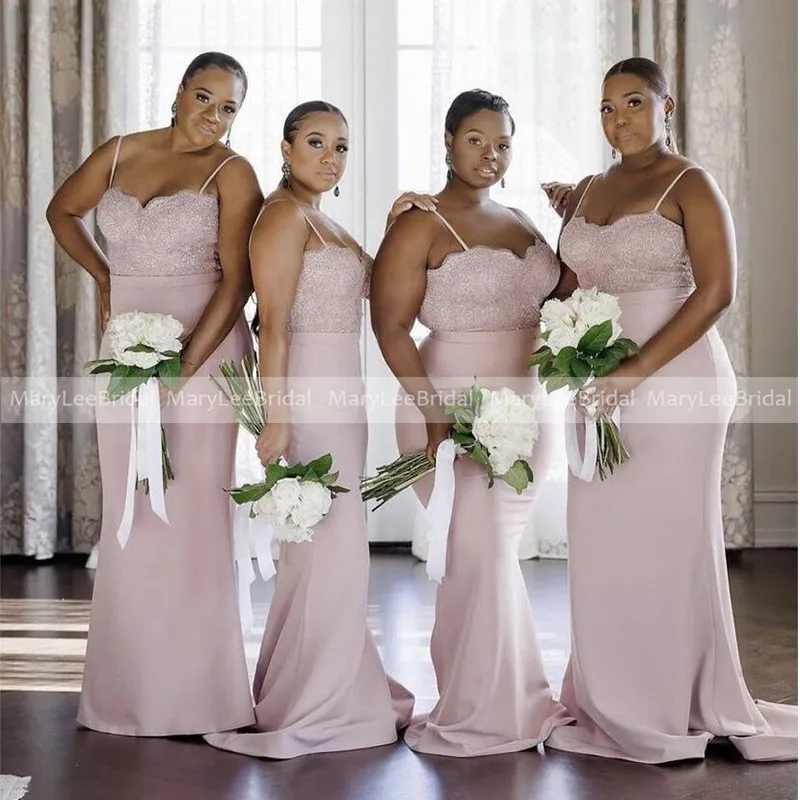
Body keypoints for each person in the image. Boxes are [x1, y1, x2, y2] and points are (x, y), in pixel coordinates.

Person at [544, 57, 797, 763]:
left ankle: (676, 699)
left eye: (632, 103)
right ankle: (613, 695)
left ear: (667, 106)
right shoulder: (588, 190)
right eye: (605, 107)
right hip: (598, 382)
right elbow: (565, 287)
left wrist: (634, 373)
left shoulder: (691, 183)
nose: (618, 119)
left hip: (677, 381)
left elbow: (716, 292)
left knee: (668, 541)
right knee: (602, 540)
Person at [205, 101, 434, 759]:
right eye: (315, 143)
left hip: (344, 397)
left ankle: (333, 684)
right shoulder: (279, 217)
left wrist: (396, 224)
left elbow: (373, 287)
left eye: (341, 147)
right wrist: (278, 417)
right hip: (307, 394)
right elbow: (270, 323)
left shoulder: (322, 219)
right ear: (284, 146)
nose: (330, 158)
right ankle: (312, 699)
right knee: (322, 545)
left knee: (336, 548)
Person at [46, 51, 263, 736]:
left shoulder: (234, 173)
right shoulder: (117, 154)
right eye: (205, 98)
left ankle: (201, 694)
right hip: (126, 351)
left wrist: (185, 365)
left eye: (229, 108)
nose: (214, 117)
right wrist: (105, 277)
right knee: (132, 509)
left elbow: (238, 281)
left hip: (202, 353)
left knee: (194, 512)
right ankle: (129, 688)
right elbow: (61, 212)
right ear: (178, 94)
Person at [370, 89, 573, 757]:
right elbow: (390, 326)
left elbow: (568, 297)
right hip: (447, 405)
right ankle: (478, 705)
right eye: (476, 139)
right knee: (474, 552)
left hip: (527, 407)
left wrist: (577, 221)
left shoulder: (522, 221)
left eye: (503, 142)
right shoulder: (420, 223)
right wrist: (433, 417)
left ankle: (510, 698)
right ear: (449, 141)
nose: (491, 153)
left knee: (492, 556)